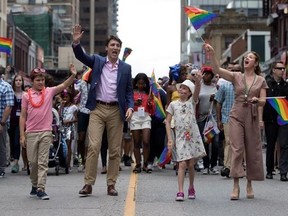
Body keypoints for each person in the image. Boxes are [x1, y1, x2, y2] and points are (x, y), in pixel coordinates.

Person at [72, 24, 134, 197]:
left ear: (120, 50)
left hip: (116, 111)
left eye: (118, 46)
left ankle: (111, 184)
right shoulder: (98, 61)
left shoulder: (126, 68)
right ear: (106, 48)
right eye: (112, 45)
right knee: (93, 146)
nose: (115, 48)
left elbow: (129, 91)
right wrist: (76, 43)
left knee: (115, 150)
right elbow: (81, 56)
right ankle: (88, 184)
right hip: (97, 109)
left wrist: (130, 107)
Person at [204, 43, 268, 200]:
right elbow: (217, 70)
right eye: (246, 57)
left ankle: (249, 183)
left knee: (251, 150)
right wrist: (212, 54)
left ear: (256, 63)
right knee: (237, 149)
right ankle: (235, 185)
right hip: (236, 115)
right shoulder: (236, 76)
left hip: (251, 116)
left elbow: (263, 101)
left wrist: (257, 100)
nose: (247, 58)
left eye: (250, 57)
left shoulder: (261, 80)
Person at [19, 64, 77, 200]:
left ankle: (41, 188)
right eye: (38, 80)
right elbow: (22, 116)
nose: (41, 82)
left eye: (42, 80)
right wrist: (22, 135)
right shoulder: (26, 96)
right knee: (32, 163)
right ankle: (34, 185)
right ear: (32, 81)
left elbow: (63, 86)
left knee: (43, 162)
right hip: (31, 132)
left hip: (46, 132)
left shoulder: (49, 92)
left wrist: (73, 75)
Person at [165, 78, 206, 201]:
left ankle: (191, 187)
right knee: (182, 163)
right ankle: (180, 191)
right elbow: (167, 122)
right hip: (180, 137)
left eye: (185, 88)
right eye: (181, 87)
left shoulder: (191, 102)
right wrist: (170, 139)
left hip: (192, 136)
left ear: (189, 92)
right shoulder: (173, 104)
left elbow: (197, 91)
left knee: (191, 164)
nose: (182, 90)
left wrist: (198, 81)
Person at [215, 63, 242, 178]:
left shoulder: (245, 85)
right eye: (233, 70)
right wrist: (219, 120)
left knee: (240, 143)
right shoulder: (224, 85)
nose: (235, 72)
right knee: (229, 142)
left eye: (238, 70)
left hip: (242, 118)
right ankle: (227, 166)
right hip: (227, 117)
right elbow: (218, 102)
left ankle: (239, 166)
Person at [263, 61, 288, 181]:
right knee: (271, 145)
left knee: (284, 145)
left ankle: (283, 172)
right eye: (280, 68)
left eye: (283, 68)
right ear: (273, 70)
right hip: (270, 119)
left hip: (283, 119)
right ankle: (269, 170)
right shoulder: (267, 84)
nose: (282, 70)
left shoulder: (286, 85)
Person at [130, 73, 155, 173]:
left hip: (145, 117)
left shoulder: (149, 93)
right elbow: (127, 105)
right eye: (139, 83)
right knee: (136, 142)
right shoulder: (131, 93)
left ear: (145, 84)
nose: (140, 85)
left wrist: (150, 103)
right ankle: (138, 164)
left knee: (146, 141)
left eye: (143, 84)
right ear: (136, 83)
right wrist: (134, 103)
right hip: (135, 116)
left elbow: (152, 110)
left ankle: (145, 164)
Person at [197, 66, 219, 175]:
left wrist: (215, 97)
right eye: (205, 73)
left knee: (215, 142)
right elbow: (195, 100)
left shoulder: (216, 87)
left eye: (209, 74)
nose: (207, 76)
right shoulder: (199, 86)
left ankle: (214, 164)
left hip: (213, 118)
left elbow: (219, 102)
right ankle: (205, 166)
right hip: (202, 118)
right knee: (205, 142)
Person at [9, 75, 25, 173]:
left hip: (21, 121)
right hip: (11, 120)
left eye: (20, 80)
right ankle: (12, 158)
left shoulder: (25, 94)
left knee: (16, 141)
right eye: (16, 80)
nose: (18, 82)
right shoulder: (11, 93)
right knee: (11, 141)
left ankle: (16, 162)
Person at [59, 89, 78, 171]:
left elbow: (76, 119)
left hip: (70, 127)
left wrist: (69, 121)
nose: (65, 99)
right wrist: (61, 106)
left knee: (68, 145)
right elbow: (59, 116)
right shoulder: (60, 107)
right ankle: (62, 162)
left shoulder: (73, 107)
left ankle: (68, 163)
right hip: (62, 127)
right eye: (64, 97)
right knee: (62, 145)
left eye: (67, 97)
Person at [0, 75, 14, 178]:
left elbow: (9, 106)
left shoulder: (6, 87)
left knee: (1, 145)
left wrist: (2, 123)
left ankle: (1, 168)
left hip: (1, 121)